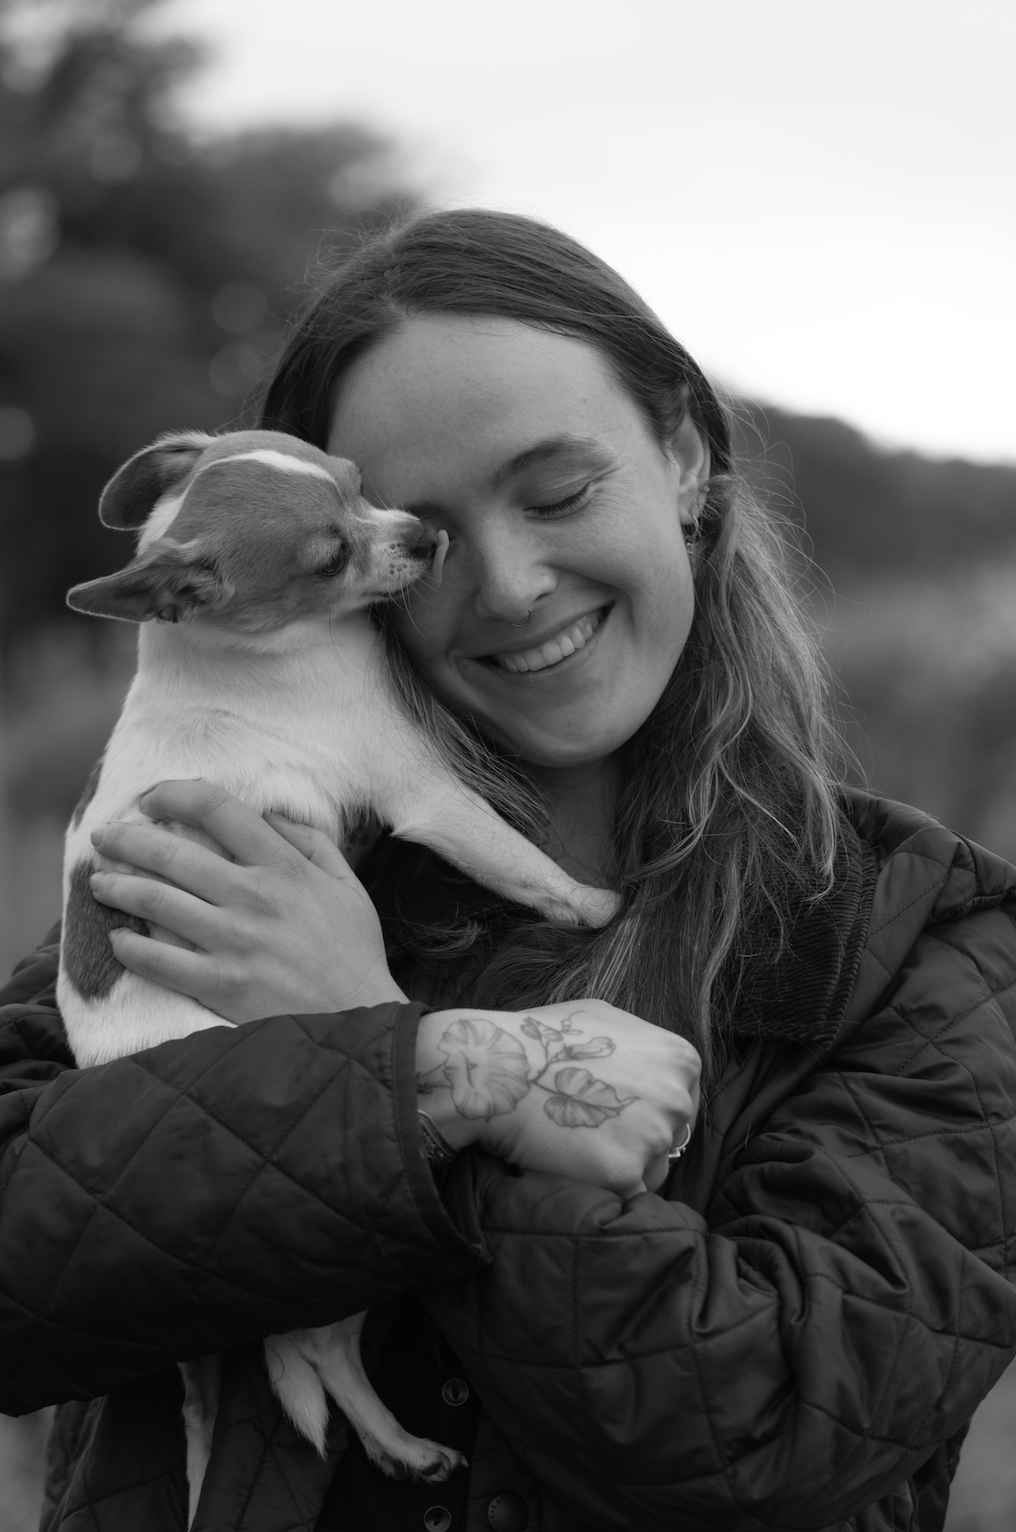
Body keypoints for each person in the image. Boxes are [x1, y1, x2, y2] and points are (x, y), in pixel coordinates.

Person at [1, 209, 1015, 1532]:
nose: (512, 581)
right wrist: (426, 1081)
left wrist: (384, 1052)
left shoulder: (919, 936)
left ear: (687, 459)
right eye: (417, 524)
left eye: (558, 491)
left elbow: (761, 1427)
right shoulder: (232, 849)